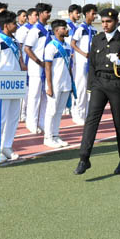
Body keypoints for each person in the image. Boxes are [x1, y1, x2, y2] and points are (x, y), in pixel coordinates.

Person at [74, 7, 120, 175]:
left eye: (108, 22)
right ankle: (84, 158)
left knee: (119, 123)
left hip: (117, 84)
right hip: (99, 84)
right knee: (91, 120)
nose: (105, 25)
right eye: (102, 22)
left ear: (116, 22)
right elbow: (92, 64)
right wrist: (90, 87)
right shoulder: (97, 39)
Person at [0, 10, 24, 161]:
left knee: (14, 116)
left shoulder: (14, 41)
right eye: (14, 23)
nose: (17, 25)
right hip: (2, 83)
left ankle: (7, 146)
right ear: (6, 25)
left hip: (15, 81)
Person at [42, 19, 74, 148]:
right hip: (54, 84)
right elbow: (47, 68)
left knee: (60, 111)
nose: (67, 30)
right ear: (56, 31)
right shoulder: (51, 46)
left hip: (65, 82)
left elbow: (69, 66)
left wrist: (71, 82)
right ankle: (48, 137)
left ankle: (55, 135)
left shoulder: (67, 45)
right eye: (64, 28)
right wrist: (49, 86)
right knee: (51, 111)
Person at [22, 3, 52, 135]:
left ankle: (41, 122)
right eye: (46, 12)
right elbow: (27, 48)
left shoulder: (49, 29)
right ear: (40, 14)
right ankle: (31, 124)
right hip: (36, 69)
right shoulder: (35, 30)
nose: (49, 14)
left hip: (47, 69)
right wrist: (38, 62)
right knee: (34, 97)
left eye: (49, 12)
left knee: (45, 97)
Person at [69, 4, 97, 125]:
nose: (94, 16)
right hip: (81, 63)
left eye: (95, 13)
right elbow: (73, 43)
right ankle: (77, 113)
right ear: (86, 14)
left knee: (89, 90)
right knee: (80, 88)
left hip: (91, 63)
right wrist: (83, 53)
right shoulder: (81, 29)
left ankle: (85, 113)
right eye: (92, 13)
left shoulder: (94, 29)